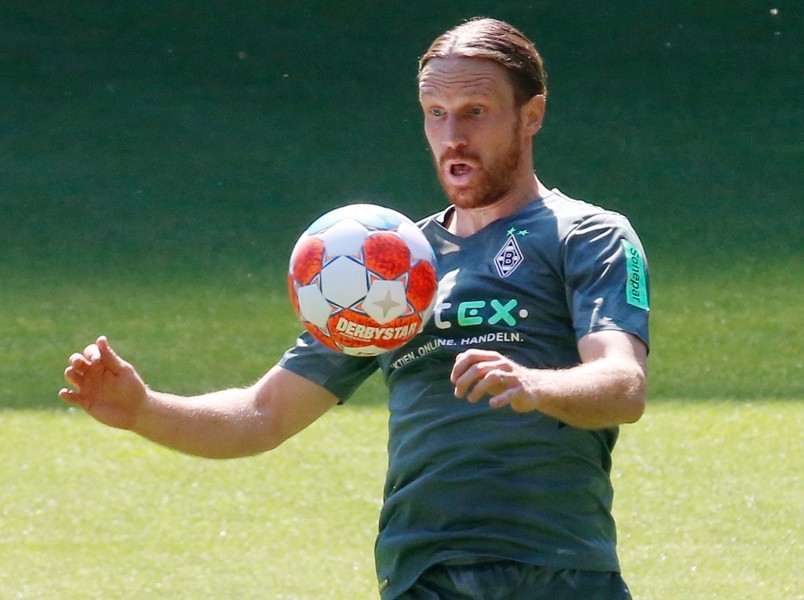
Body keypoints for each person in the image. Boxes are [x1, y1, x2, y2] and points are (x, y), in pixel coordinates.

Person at [60, 16, 650, 600]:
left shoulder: (588, 235)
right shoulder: (389, 260)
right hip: (423, 572)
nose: (453, 136)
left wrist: (534, 385)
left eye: (476, 111)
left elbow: (623, 385)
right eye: (435, 113)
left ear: (532, 115)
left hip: (560, 569)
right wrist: (143, 409)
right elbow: (263, 414)